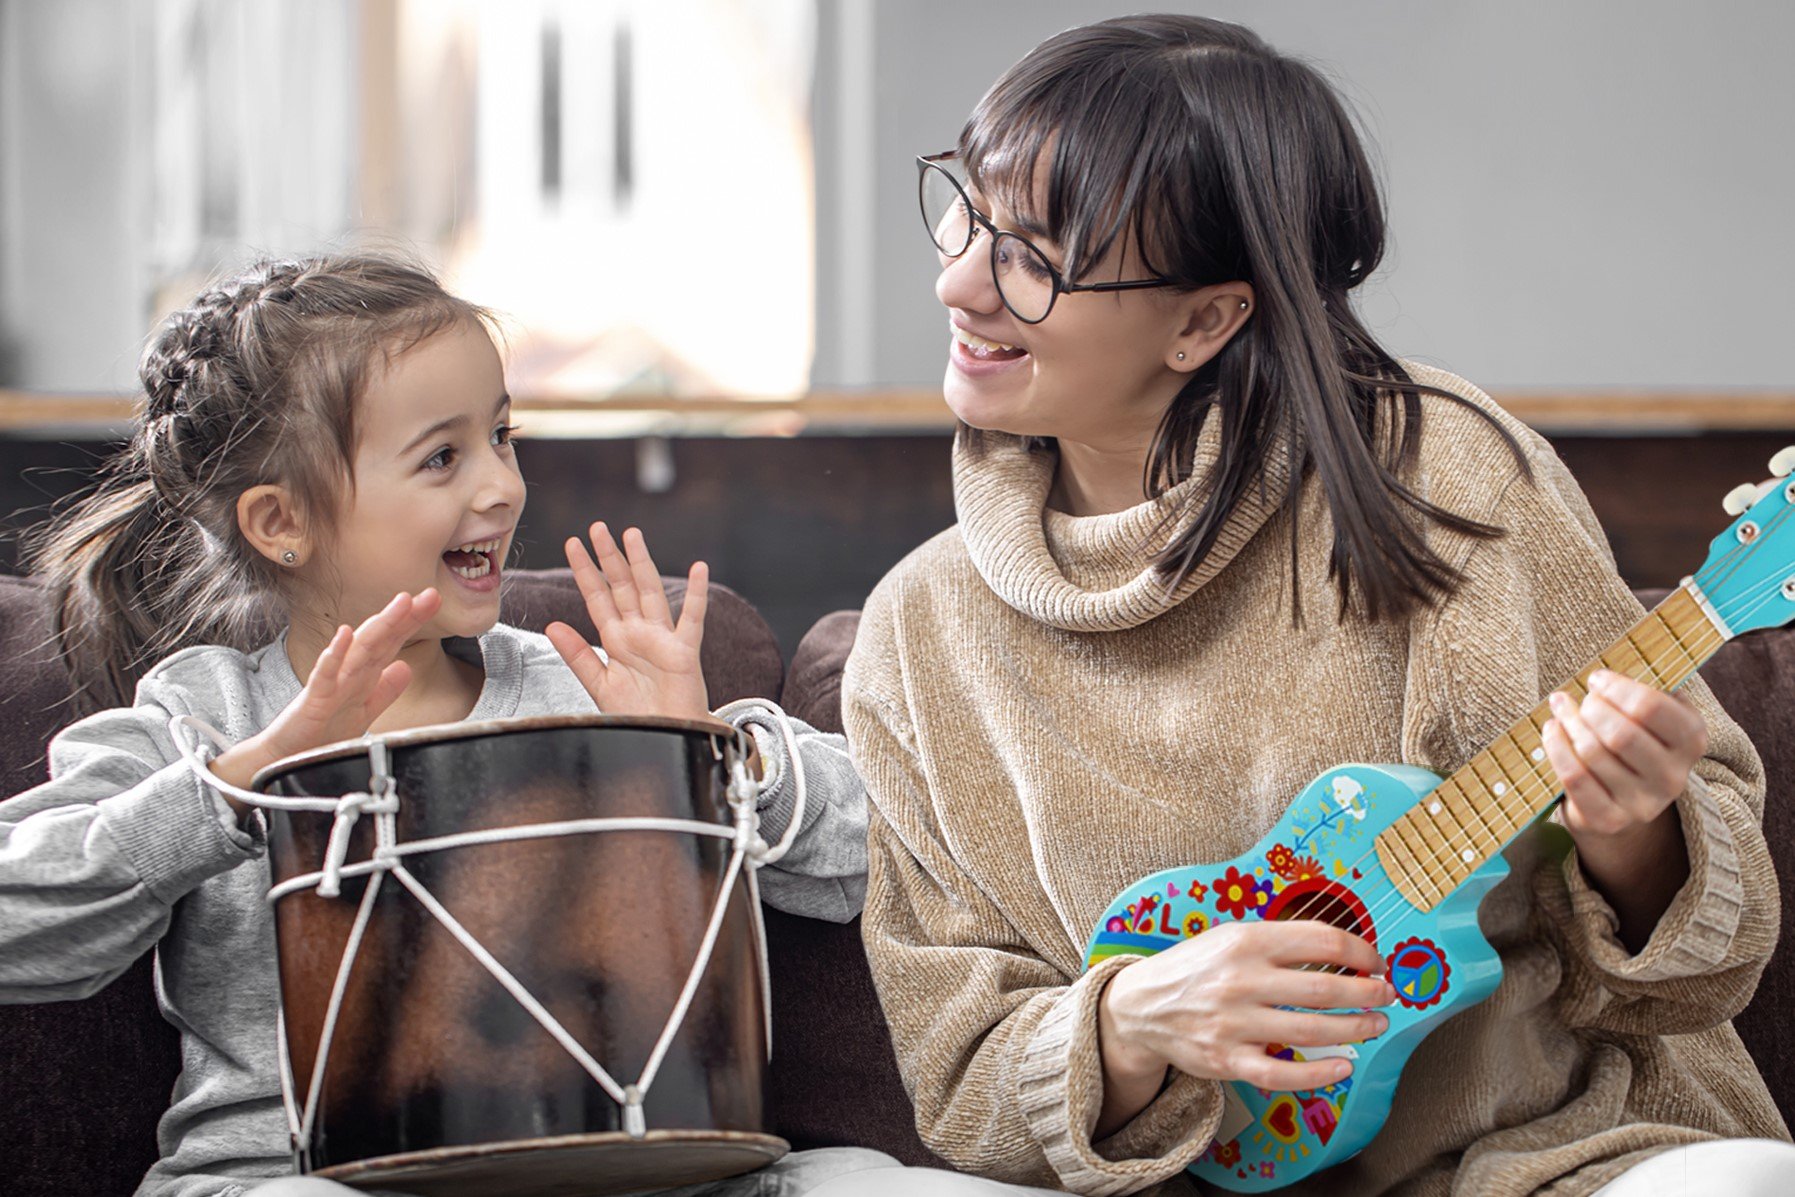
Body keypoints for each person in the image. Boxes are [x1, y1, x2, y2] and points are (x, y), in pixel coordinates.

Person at [841, 15, 1791, 1197]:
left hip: (1549, 1161)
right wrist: (1132, 1024)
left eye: (1033, 255)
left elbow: (1707, 970)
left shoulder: (1445, 480)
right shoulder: (916, 633)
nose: (954, 280)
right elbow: (960, 1085)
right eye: (968, 212)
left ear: (1206, 320)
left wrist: (1634, 834)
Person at [0, 254, 877, 1197]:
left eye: (503, 435)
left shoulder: (577, 686)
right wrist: (238, 785)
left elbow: (881, 857)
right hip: (300, 1181)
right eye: (442, 456)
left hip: (626, 1177)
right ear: (279, 519)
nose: (502, 486)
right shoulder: (200, 718)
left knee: (867, 1180)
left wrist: (706, 751)